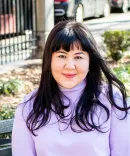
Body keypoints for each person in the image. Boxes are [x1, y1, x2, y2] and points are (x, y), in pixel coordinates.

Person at [12, 20, 130, 156]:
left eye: (78, 57)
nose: (69, 65)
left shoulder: (112, 100)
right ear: (49, 60)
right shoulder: (29, 107)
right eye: (62, 56)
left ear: (89, 61)